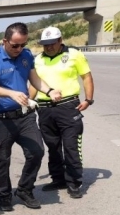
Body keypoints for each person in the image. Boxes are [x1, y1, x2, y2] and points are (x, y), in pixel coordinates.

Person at [0, 22, 61, 212]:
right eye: (15, 45)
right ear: (5, 41)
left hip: (25, 116)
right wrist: (11, 93)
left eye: (23, 44)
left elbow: (33, 78)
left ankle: (25, 189)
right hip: (1, 119)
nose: (19, 49)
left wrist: (49, 90)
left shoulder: (26, 55)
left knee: (36, 152)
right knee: (2, 159)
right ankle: (4, 195)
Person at [29, 26, 95, 199]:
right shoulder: (38, 60)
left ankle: (74, 182)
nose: (48, 47)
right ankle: (58, 179)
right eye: (45, 44)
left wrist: (88, 99)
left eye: (52, 43)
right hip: (44, 109)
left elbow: (86, 76)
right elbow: (34, 84)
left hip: (68, 107)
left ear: (60, 41)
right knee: (53, 147)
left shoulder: (74, 55)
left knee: (71, 146)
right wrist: (29, 103)